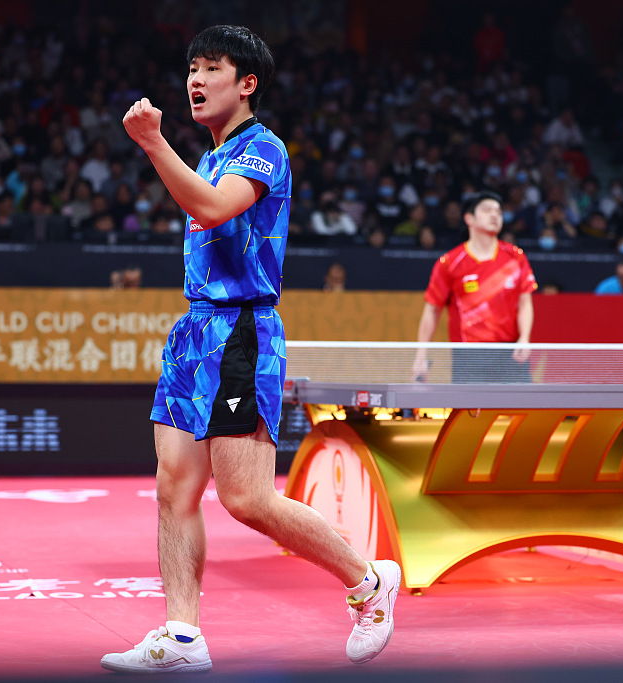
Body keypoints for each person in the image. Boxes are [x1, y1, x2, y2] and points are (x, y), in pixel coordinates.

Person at [103, 25, 400, 675]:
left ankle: (369, 581)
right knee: (173, 486)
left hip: (241, 331)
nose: (195, 80)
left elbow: (212, 209)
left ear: (247, 83)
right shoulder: (207, 154)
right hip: (195, 333)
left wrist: (152, 142)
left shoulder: (261, 150)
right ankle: (182, 636)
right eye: (191, 69)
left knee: (247, 498)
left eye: (211, 68)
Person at [413, 191, 536, 383]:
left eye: (498, 211)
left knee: (520, 410)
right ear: (469, 218)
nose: (495, 215)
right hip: (469, 355)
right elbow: (432, 310)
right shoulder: (450, 262)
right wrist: (421, 355)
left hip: (511, 353)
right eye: (487, 210)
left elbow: (525, 303)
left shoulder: (515, 257)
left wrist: (525, 338)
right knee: (470, 412)